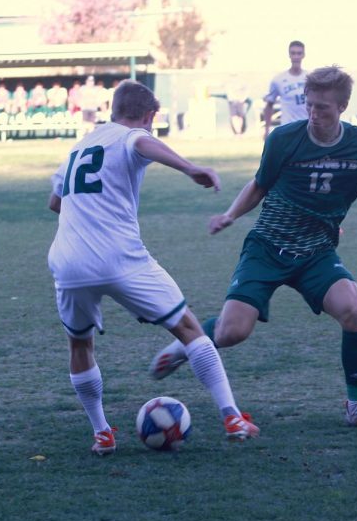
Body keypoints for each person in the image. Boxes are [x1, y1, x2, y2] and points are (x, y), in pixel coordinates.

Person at [153, 66, 357, 431]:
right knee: (232, 333)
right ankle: (190, 343)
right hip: (268, 246)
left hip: (316, 252)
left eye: (323, 108)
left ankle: (356, 407)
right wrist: (230, 215)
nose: (314, 114)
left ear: (342, 106)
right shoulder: (285, 138)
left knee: (353, 310)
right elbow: (260, 184)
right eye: (309, 105)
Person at [47, 80, 259, 455]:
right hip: (119, 256)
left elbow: (55, 202)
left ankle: (101, 433)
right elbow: (140, 143)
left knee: (80, 344)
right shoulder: (130, 136)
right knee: (189, 328)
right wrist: (189, 167)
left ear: (113, 110)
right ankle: (232, 416)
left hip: (69, 260)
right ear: (148, 116)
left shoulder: (77, 149)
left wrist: (87, 215)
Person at [262, 40, 308, 139]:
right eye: (293, 53)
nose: (296, 57)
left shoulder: (310, 78)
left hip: (307, 128)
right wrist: (266, 129)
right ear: (289, 55)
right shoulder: (278, 80)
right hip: (288, 128)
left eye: (299, 53)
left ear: (303, 55)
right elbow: (269, 104)